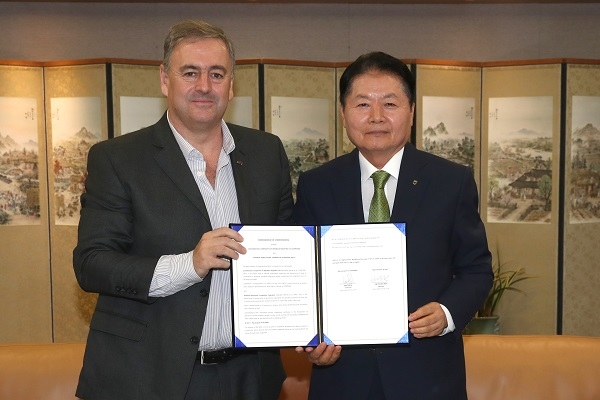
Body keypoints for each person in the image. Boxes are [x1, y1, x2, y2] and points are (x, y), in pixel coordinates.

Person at [73, 20, 293, 400]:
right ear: (165, 79)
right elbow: (91, 263)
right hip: (149, 377)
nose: (204, 86)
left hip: (250, 376)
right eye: (190, 72)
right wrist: (189, 264)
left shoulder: (266, 152)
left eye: (216, 74)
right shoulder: (117, 159)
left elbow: (291, 251)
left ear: (231, 84)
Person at [293, 51, 493, 400]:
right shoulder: (317, 184)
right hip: (342, 376)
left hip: (427, 376)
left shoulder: (451, 182)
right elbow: (303, 276)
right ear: (343, 113)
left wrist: (446, 313)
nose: (376, 117)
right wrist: (312, 340)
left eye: (389, 103)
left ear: (411, 111)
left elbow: (477, 270)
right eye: (362, 104)